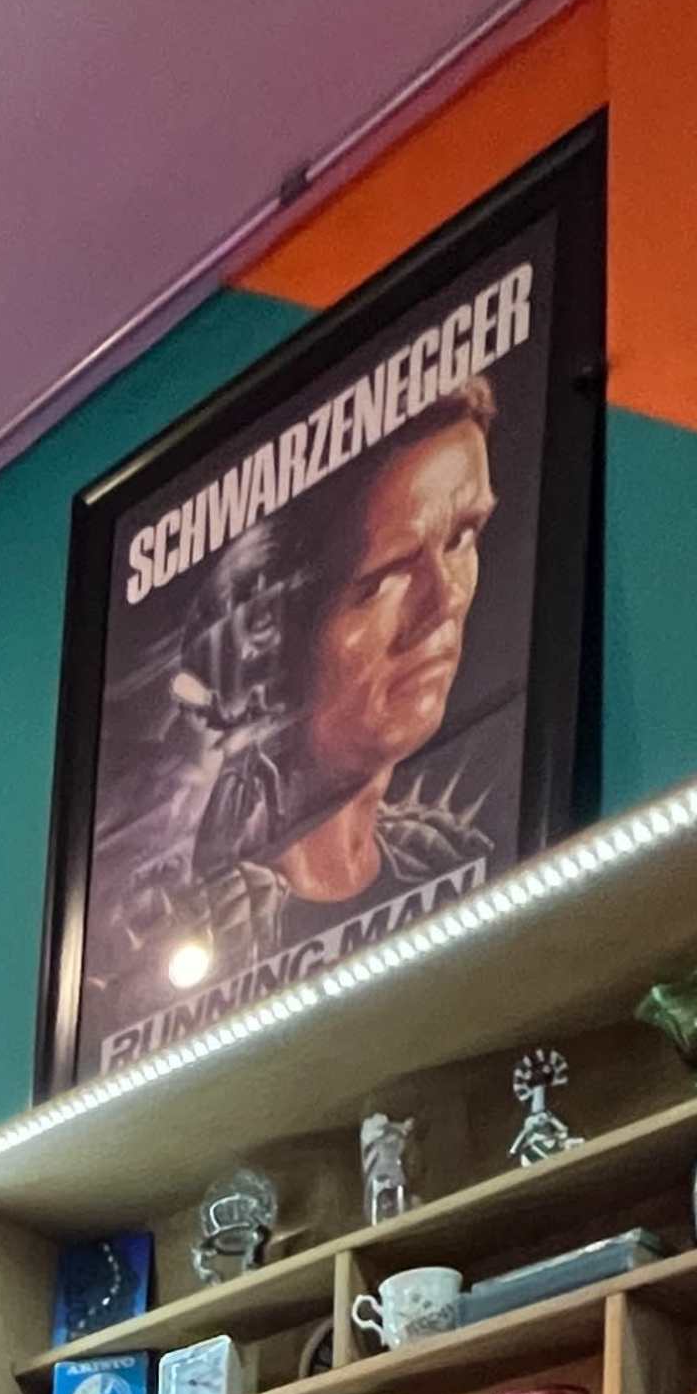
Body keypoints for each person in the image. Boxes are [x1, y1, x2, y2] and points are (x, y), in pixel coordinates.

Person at [178, 390, 503, 1004]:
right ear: (268, 639)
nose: (445, 602)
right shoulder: (197, 937)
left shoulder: (453, 855)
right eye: (384, 577)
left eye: (462, 538)